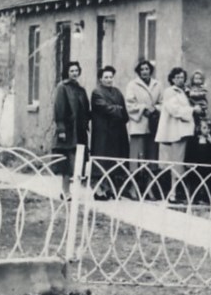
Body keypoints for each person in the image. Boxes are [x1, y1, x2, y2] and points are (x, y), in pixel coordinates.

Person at [155, 67, 202, 204]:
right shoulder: (170, 92)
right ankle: (173, 194)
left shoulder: (183, 92)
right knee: (177, 163)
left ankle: (181, 193)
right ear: (172, 79)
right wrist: (193, 110)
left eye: (182, 77)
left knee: (181, 163)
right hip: (177, 131)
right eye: (177, 77)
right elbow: (174, 109)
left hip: (185, 131)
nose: (180, 79)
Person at [90, 66, 129, 200]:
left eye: (111, 77)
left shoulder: (117, 92)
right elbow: (104, 108)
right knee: (101, 160)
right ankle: (98, 190)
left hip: (117, 131)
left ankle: (110, 189)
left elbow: (124, 111)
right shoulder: (97, 92)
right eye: (105, 77)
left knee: (114, 160)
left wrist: (117, 110)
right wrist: (116, 109)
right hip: (103, 131)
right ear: (100, 79)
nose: (108, 80)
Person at [53, 61, 90, 201]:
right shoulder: (63, 87)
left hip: (80, 130)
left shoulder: (81, 90)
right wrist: (61, 129)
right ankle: (65, 191)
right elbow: (59, 109)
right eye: (71, 71)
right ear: (67, 73)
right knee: (67, 163)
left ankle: (73, 191)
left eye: (76, 71)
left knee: (78, 162)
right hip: (69, 130)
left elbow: (86, 109)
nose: (74, 73)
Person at [125, 60, 162, 199]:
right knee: (136, 159)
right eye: (142, 69)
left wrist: (155, 109)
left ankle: (150, 189)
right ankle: (133, 188)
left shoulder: (158, 84)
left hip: (153, 125)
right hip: (138, 125)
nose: (145, 71)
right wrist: (143, 108)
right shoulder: (132, 85)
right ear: (139, 71)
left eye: (147, 69)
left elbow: (162, 102)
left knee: (152, 158)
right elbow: (130, 104)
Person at [187, 70, 211, 146]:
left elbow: (202, 94)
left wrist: (192, 94)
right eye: (196, 78)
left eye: (199, 78)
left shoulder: (203, 88)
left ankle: (204, 136)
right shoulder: (190, 87)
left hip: (202, 106)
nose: (198, 80)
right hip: (193, 108)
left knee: (202, 123)